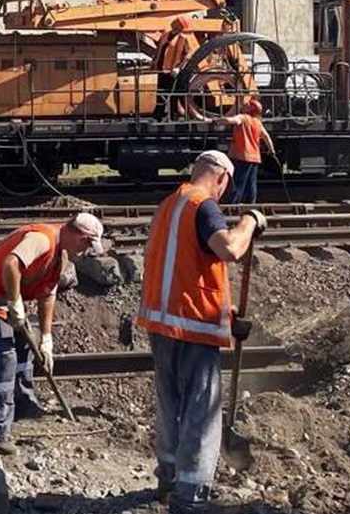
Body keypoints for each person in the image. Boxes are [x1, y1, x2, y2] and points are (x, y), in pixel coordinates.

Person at [138, 150, 266, 513]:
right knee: (201, 412)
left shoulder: (168, 204)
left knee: (170, 404)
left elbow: (183, 266)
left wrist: (226, 313)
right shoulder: (203, 205)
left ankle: (168, 478)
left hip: (162, 322)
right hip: (192, 327)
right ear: (222, 177)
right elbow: (229, 249)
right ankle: (190, 498)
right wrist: (250, 222)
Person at [0, 212, 105, 455]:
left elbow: (47, 295)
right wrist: (14, 303)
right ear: (77, 235)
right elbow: (11, 264)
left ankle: (24, 404)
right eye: (86, 244)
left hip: (6, 300)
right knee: (3, 359)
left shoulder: (60, 255)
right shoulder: (43, 239)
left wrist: (46, 339)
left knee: (26, 346)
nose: (85, 251)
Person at [208, 98, 276, 204]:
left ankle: (233, 205)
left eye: (248, 104)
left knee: (238, 182)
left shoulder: (243, 118)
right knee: (251, 184)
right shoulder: (258, 122)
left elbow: (230, 120)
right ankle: (251, 205)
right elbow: (266, 136)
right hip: (255, 158)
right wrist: (271, 150)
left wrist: (215, 121)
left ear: (250, 108)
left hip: (241, 156)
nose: (244, 104)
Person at [152, 16, 198, 120]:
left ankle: (173, 117)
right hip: (162, 70)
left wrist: (179, 68)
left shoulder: (182, 38)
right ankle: (158, 116)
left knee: (173, 95)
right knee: (160, 93)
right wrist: (155, 60)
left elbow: (188, 54)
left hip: (173, 71)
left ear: (180, 26)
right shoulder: (165, 35)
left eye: (176, 22)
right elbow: (160, 48)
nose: (173, 22)